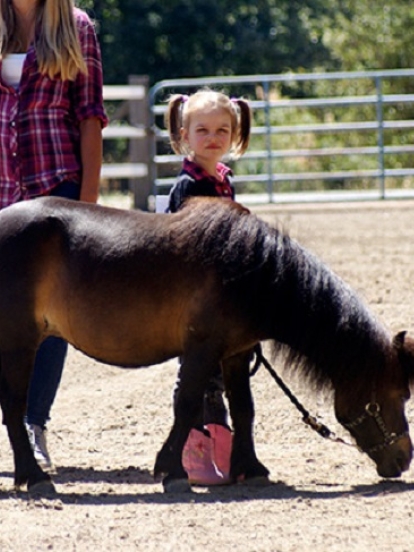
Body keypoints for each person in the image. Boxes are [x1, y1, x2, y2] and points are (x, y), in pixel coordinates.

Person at [0, 0, 108, 474]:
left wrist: (87, 203)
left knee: (53, 321)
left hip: (58, 194)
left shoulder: (77, 28)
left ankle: (33, 423)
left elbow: (90, 118)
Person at [163, 89, 252, 484]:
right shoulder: (188, 185)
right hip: (193, 299)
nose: (213, 138)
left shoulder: (222, 181)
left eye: (222, 130)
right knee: (199, 375)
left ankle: (221, 445)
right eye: (203, 130)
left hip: (218, 299)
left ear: (234, 135)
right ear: (184, 135)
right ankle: (193, 449)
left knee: (221, 374)